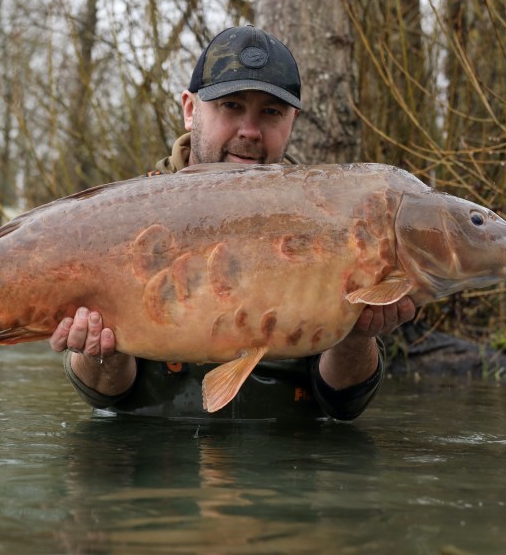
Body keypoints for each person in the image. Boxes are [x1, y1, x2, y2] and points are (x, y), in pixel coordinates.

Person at [50, 26, 415, 421]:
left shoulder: (332, 220)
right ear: (191, 110)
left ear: (292, 120)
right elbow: (105, 398)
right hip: (148, 456)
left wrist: (357, 337)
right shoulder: (124, 218)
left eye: (271, 112)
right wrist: (99, 352)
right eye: (231, 106)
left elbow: (345, 405)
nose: (250, 131)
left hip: (291, 460)